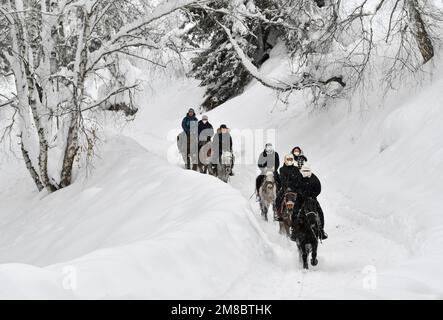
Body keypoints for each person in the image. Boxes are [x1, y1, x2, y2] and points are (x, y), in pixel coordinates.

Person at [291, 163, 328, 240]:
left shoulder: (314, 178)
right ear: (301, 171)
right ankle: (294, 231)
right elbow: (294, 187)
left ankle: (321, 230)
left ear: (310, 171)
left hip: (312, 199)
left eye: (307, 170)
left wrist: (312, 195)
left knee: (320, 212)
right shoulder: (298, 177)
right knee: (295, 212)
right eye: (304, 170)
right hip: (300, 199)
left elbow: (318, 189)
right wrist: (301, 193)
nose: (306, 172)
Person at [274, 154, 302, 221]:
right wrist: (286, 187)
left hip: (295, 189)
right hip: (285, 188)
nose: (289, 161)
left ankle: (302, 214)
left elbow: (299, 178)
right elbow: (282, 179)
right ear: (285, 160)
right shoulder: (282, 169)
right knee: (277, 199)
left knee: (302, 198)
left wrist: (296, 186)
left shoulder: (296, 169)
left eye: (291, 159)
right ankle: (279, 215)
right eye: (288, 159)